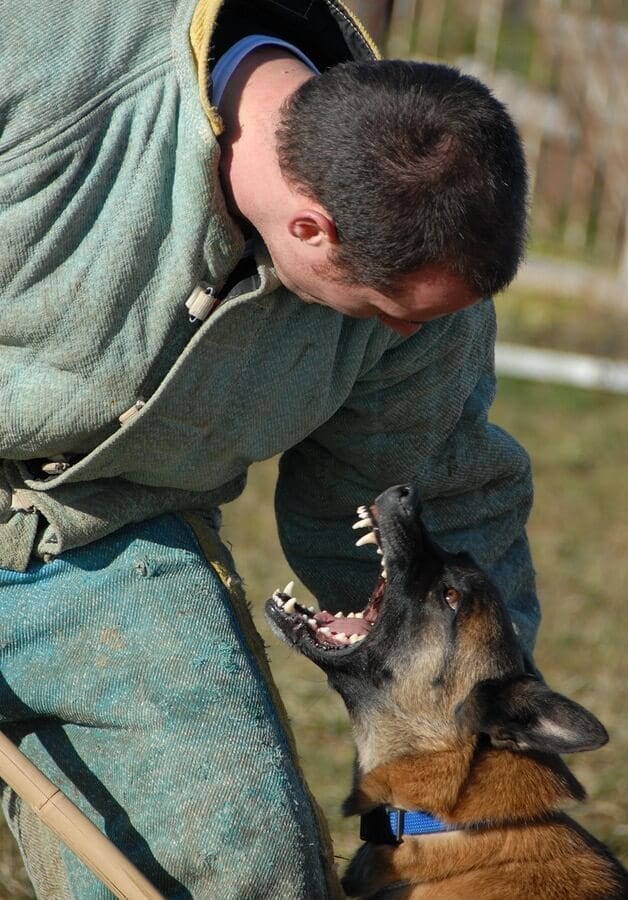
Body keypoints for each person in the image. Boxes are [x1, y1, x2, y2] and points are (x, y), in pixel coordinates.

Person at [0, 0, 535, 896]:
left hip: (102, 535)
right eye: (387, 316)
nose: (411, 339)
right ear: (312, 230)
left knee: (248, 873)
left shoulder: (424, 290)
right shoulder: (46, 59)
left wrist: (490, 737)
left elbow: (420, 504)